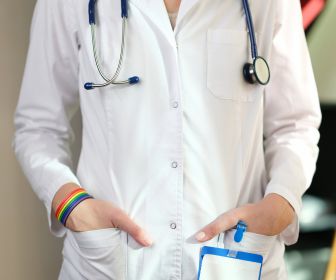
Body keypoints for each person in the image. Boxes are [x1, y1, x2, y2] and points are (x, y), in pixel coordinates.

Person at [13, 0, 322, 279]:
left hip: (237, 262)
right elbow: (38, 125)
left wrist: (280, 205)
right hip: (108, 265)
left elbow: (295, 123)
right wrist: (71, 205)